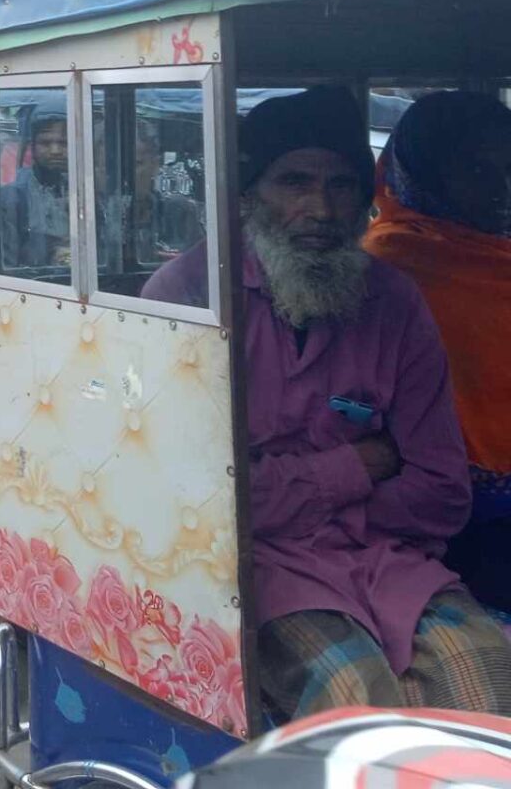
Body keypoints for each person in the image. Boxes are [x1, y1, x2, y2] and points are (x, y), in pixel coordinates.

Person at [142, 86, 511, 720]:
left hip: (387, 562)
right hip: (255, 574)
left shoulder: (393, 301)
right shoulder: (187, 296)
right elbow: (198, 507)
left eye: (342, 185)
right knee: (355, 705)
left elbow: (443, 493)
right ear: (250, 192)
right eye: (294, 182)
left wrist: (288, 495)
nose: (320, 208)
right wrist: (356, 467)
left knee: (490, 687)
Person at [363, 91, 511, 614]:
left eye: (507, 166)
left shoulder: (500, 249)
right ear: (423, 171)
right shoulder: (391, 263)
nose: (499, 187)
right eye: (475, 169)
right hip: (442, 514)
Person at [0, 101, 70, 275]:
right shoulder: (13, 198)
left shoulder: (90, 191)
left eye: (64, 143)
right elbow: (9, 266)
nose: (55, 151)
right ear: (33, 147)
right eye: (45, 143)